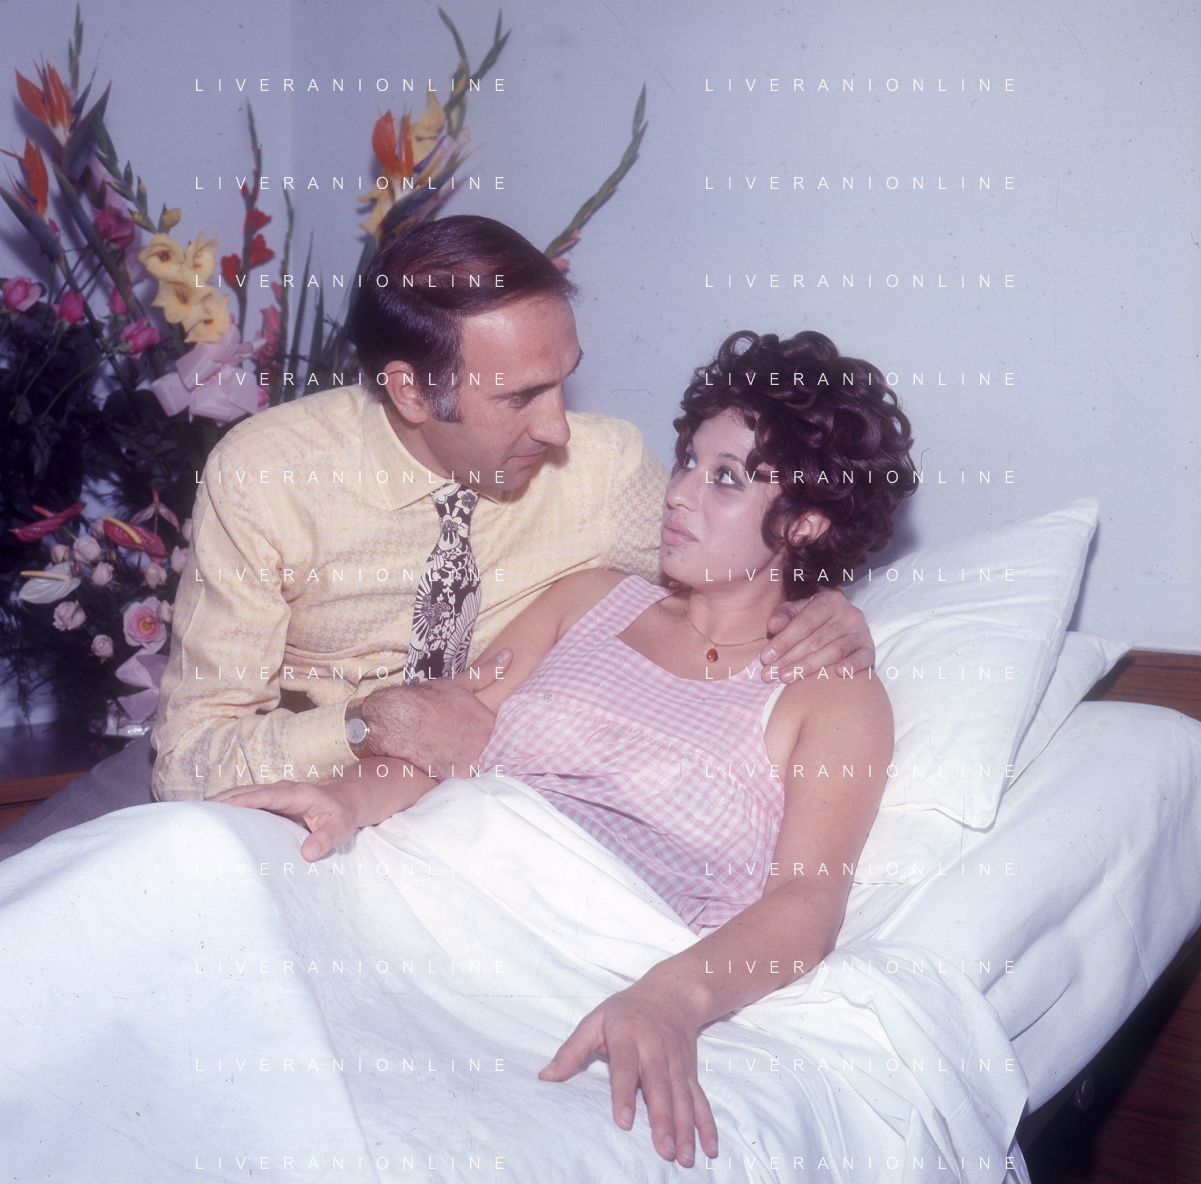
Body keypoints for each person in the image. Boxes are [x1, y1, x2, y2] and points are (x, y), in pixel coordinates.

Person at [215, 327, 918, 1169]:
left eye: (725, 478)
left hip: (576, 966)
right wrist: (346, 797)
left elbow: (806, 900)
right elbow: (445, 734)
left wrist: (674, 997)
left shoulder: (829, 696)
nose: (679, 493)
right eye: (687, 461)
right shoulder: (588, 600)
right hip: (427, 885)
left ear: (804, 523)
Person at [140, 215, 875, 806]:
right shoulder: (268, 477)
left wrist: (821, 607)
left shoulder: (605, 468)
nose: (557, 428)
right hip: (302, 788)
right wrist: (368, 725)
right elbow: (183, 764)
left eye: (562, 381)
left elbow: (736, 558)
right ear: (410, 392)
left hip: (485, 806)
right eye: (518, 397)